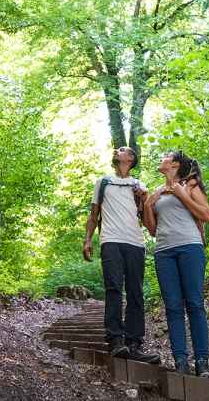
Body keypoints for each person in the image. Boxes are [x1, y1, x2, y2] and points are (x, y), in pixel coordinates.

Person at [82, 146, 160, 364]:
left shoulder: (139, 185)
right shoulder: (103, 181)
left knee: (136, 292)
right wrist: (88, 239)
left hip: (135, 242)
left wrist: (144, 199)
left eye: (123, 150)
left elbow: (147, 221)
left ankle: (134, 344)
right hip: (111, 241)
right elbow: (93, 214)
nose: (118, 150)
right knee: (114, 288)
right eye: (118, 150)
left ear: (131, 159)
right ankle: (116, 340)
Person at [142, 151, 209, 377]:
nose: (160, 158)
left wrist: (181, 194)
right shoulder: (158, 192)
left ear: (174, 163)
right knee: (173, 307)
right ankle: (180, 361)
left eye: (164, 156)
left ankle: (202, 362)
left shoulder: (190, 185)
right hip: (164, 252)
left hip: (190, 247)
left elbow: (206, 214)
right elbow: (153, 230)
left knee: (194, 303)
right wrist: (147, 204)